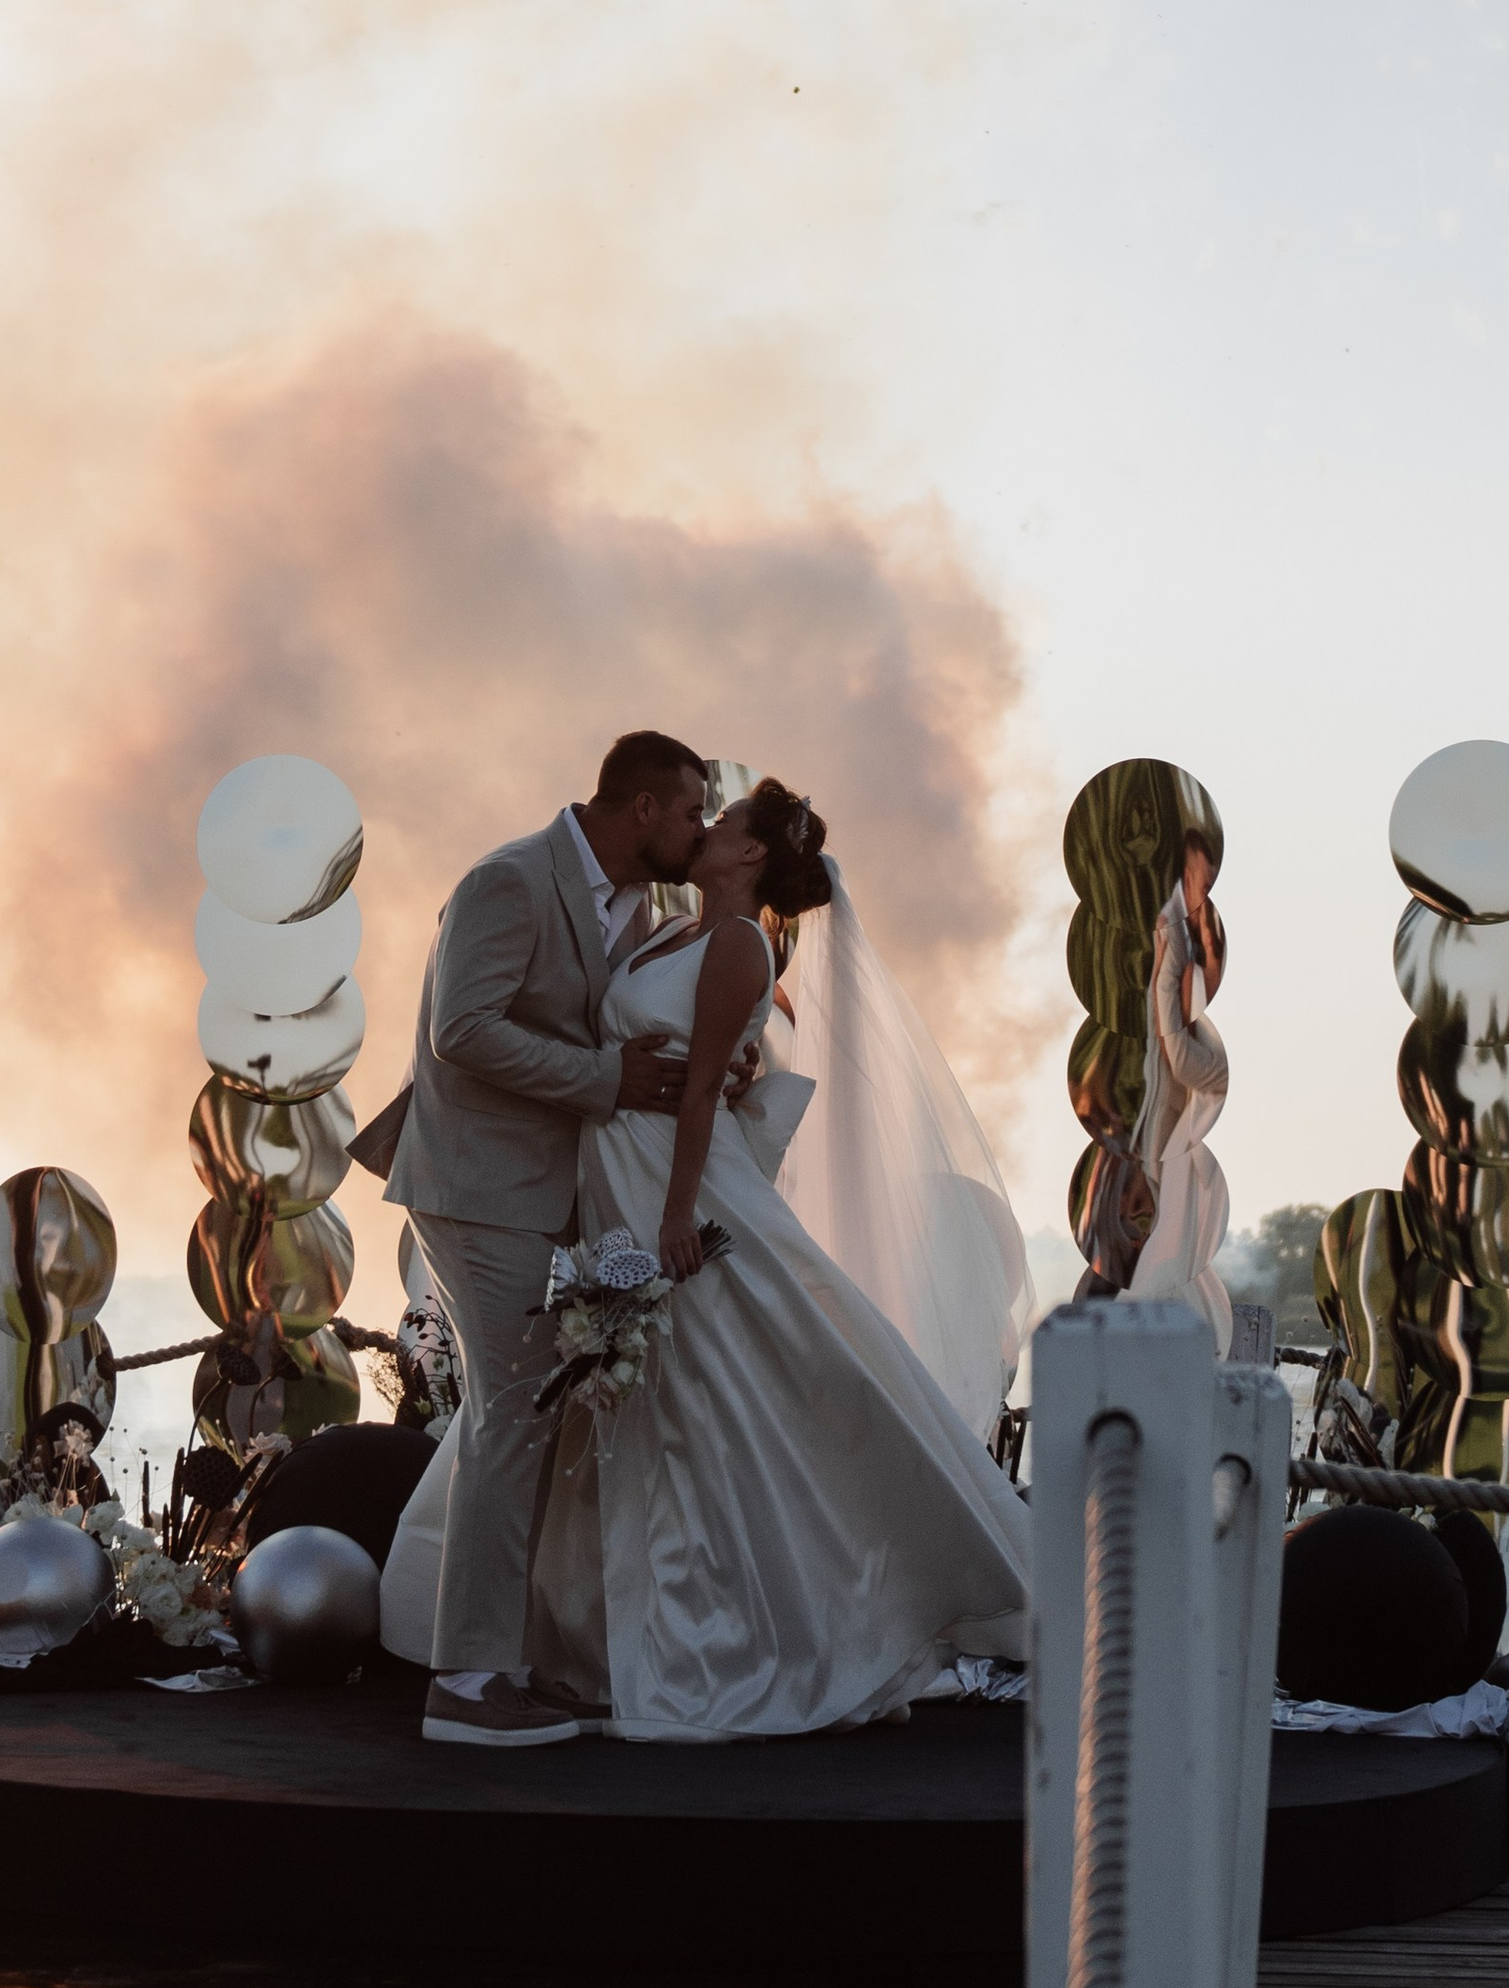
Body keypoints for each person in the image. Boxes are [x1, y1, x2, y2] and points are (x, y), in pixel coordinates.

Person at [520, 778, 1036, 1739]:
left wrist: (677, 1216)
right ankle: (615, 1635)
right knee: (656, 1390)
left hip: (682, 1187)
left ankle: (741, 1631)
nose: (707, 828)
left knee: (711, 1388)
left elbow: (707, 1088)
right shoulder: (670, 933)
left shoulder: (738, 944)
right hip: (618, 1170)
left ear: (752, 854)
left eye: (724, 822)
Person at [369, 732, 743, 1747]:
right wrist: (606, 1080)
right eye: (691, 809)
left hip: (554, 1193)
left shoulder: (645, 907)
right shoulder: (507, 879)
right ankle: (469, 1681)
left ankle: (513, 1657)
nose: (700, 827)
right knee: (512, 1415)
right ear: (640, 811)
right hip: (475, 1185)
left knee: (532, 1415)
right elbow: (465, 1028)